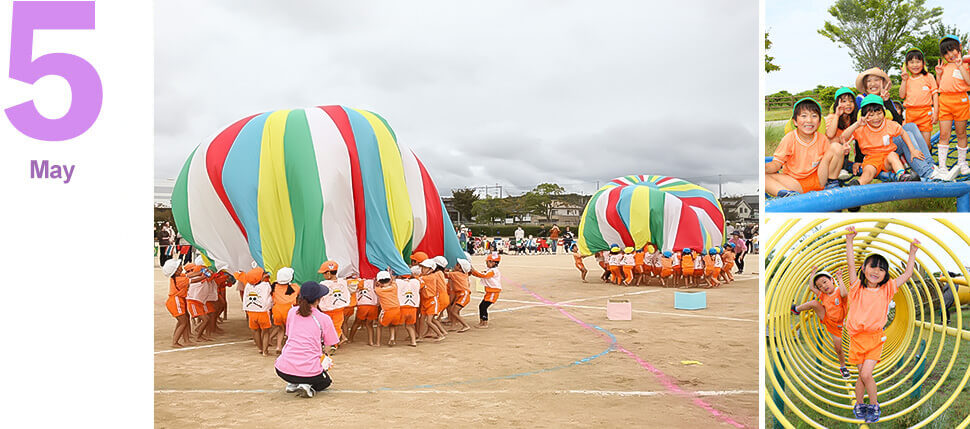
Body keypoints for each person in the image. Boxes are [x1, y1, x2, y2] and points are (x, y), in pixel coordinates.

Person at [843, 226, 919, 423]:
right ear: (864, 269)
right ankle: (859, 404)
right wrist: (849, 242)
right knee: (861, 375)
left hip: (875, 339)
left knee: (867, 373)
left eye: (882, 269)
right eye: (873, 267)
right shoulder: (856, 288)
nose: (877, 271)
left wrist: (912, 252)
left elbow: (908, 274)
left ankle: (874, 405)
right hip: (856, 339)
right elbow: (851, 266)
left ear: (886, 275)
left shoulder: (887, 289)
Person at [854, 67, 941, 181]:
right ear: (865, 86)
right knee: (906, 134)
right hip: (876, 149)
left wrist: (886, 101)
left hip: (889, 143)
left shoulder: (886, 98)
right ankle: (927, 172)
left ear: (882, 83)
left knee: (910, 127)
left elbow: (898, 123)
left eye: (876, 80)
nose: (873, 84)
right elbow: (860, 133)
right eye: (869, 81)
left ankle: (930, 165)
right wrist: (858, 160)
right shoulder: (862, 100)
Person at [766, 98, 843, 196]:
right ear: (795, 122)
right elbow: (776, 164)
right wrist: (764, 168)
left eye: (814, 116)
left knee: (837, 147)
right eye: (803, 116)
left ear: (819, 122)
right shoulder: (789, 138)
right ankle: (787, 194)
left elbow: (830, 159)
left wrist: (841, 152)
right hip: (794, 183)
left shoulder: (822, 138)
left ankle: (832, 183)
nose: (809, 120)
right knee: (763, 177)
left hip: (819, 180)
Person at [274, 281, 339, 398]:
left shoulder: (292, 312)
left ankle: (293, 383)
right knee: (325, 381)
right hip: (310, 371)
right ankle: (306, 384)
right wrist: (325, 357)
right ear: (318, 299)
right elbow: (330, 345)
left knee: (299, 366)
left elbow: (289, 334)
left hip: (282, 369)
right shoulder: (324, 318)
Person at [841, 94, 921, 185]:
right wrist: (857, 124)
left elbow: (904, 133)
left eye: (879, 113)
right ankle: (857, 184)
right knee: (868, 171)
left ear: (884, 112)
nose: (876, 118)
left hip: (887, 157)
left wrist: (913, 150)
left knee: (893, 156)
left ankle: (902, 175)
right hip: (871, 159)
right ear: (864, 116)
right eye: (871, 115)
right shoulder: (861, 129)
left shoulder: (889, 124)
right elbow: (843, 137)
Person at [791, 267, 849, 379]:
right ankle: (796, 309)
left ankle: (843, 367)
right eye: (820, 286)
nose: (824, 286)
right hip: (826, 317)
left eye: (825, 282)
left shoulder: (838, 292)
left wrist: (840, 279)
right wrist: (812, 273)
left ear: (832, 280)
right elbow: (812, 287)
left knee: (838, 348)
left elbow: (845, 293)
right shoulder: (823, 295)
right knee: (814, 303)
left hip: (836, 326)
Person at [936, 35, 970, 177]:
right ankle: (942, 165)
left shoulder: (966, 64)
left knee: (961, 133)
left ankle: (962, 162)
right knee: (944, 134)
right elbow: (940, 86)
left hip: (960, 101)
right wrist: (938, 74)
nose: (950, 55)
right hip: (944, 101)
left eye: (952, 50)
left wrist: (960, 65)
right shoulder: (942, 66)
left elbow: (968, 82)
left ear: (959, 47)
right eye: (946, 53)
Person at [899, 47, 940, 156]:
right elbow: (901, 95)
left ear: (923, 63)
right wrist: (903, 80)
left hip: (925, 113)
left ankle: (929, 165)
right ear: (906, 65)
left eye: (918, 61)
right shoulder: (907, 79)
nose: (915, 65)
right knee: (913, 143)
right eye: (911, 62)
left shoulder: (928, 77)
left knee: (926, 143)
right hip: (911, 114)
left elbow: (935, 95)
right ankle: (916, 167)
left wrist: (936, 112)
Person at [318, 261, 351, 354]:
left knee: (326, 327)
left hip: (327, 311)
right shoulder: (343, 282)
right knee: (336, 327)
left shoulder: (324, 284)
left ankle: (330, 344)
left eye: (324, 273)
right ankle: (332, 344)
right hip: (339, 310)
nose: (323, 275)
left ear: (328, 273)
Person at [242, 267, 273, 356]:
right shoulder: (265, 285)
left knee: (255, 330)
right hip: (263, 311)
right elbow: (269, 289)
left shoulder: (248, 285)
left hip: (251, 311)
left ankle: (259, 348)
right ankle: (265, 351)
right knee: (266, 331)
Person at [270, 267, 299, 355]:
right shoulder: (295, 287)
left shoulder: (274, 287)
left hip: (277, 311)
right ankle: (289, 347)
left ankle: (278, 346)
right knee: (290, 330)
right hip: (289, 311)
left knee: (281, 328)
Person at [163, 259, 192, 348]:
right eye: (179, 266)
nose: (181, 267)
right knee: (183, 322)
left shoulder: (178, 277)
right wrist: (205, 275)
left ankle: (186, 340)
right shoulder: (179, 279)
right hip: (176, 301)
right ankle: (174, 342)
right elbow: (193, 280)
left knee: (183, 321)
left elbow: (190, 275)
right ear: (175, 271)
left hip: (177, 301)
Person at [470, 252, 503, 328]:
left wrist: (473, 270)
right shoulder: (490, 270)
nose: (486, 263)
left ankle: (484, 323)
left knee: (483, 306)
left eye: (488, 261)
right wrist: (473, 272)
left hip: (493, 292)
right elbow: (481, 274)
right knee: (481, 306)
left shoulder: (493, 271)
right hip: (490, 291)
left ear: (494, 262)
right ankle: (482, 321)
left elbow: (483, 275)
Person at [347, 277, 378, 346]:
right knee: (369, 325)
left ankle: (350, 339)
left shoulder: (358, 281)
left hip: (362, 305)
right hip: (373, 306)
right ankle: (371, 341)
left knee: (356, 323)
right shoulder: (374, 282)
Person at [444, 259, 473, 332]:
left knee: (454, 311)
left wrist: (444, 270)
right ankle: (453, 325)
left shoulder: (456, 274)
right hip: (460, 294)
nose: (455, 265)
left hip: (463, 295)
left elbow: (445, 274)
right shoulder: (462, 273)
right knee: (452, 310)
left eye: (457, 264)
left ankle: (465, 325)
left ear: (460, 268)